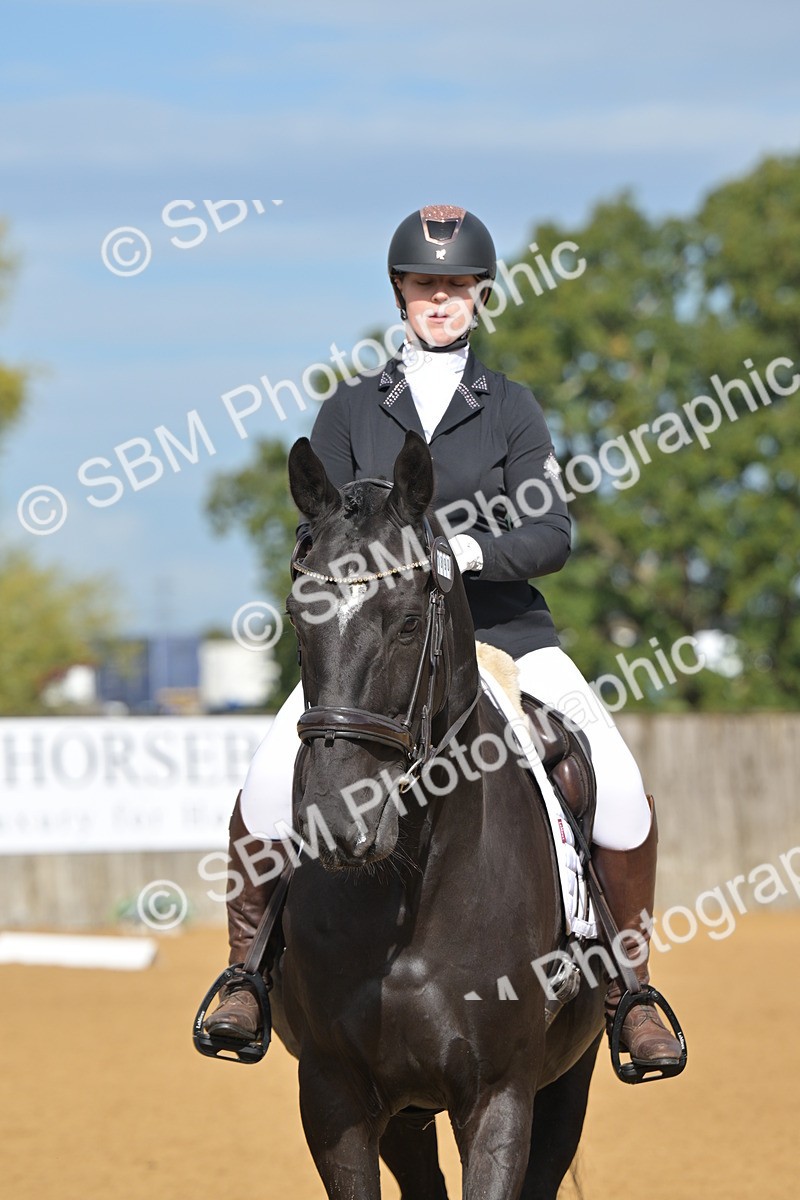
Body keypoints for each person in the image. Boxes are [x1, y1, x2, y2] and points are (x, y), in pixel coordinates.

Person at [203, 204, 683, 1070]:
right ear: (400, 293)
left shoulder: (511, 410)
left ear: (481, 296)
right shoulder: (350, 408)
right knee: (269, 779)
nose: (440, 299)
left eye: (456, 286)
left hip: (503, 631)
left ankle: (629, 992)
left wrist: (467, 551)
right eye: (426, 285)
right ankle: (245, 974)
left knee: (618, 785)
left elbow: (553, 536)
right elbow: (320, 529)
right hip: (378, 645)